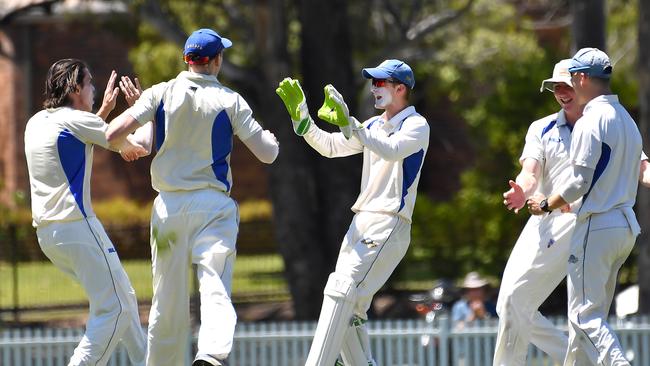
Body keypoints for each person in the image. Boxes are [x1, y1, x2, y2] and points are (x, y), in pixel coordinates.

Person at [105, 28, 280, 366]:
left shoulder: (160, 93)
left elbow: (116, 135)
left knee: (166, 302)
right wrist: (271, 137)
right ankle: (212, 355)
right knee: (214, 280)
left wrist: (126, 145)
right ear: (216, 61)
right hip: (213, 207)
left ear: (186, 60)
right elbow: (268, 154)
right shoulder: (230, 100)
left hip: (168, 208)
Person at [276, 59, 429, 366]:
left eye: (380, 82)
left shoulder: (416, 125)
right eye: (373, 82)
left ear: (401, 88)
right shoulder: (371, 126)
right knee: (350, 305)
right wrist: (302, 120)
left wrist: (352, 124)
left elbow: (392, 149)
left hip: (389, 222)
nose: (374, 88)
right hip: (361, 222)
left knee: (341, 289)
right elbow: (331, 146)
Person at [24, 59, 147, 366]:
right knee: (115, 308)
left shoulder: (37, 121)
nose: (95, 90)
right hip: (77, 227)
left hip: (49, 236)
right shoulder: (78, 122)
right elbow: (136, 148)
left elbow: (80, 140)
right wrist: (144, 110)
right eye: (91, 83)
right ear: (75, 88)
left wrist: (102, 114)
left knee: (125, 300)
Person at [528, 48, 642, 365]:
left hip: (597, 225)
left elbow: (578, 182)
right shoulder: (627, 120)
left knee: (584, 316)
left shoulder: (592, 119)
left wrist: (545, 204)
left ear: (580, 77)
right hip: (624, 227)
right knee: (590, 321)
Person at [493, 59, 584, 365]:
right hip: (538, 219)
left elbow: (637, 164)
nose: (562, 92)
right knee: (507, 304)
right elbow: (530, 172)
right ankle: (577, 359)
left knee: (516, 301)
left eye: (567, 85)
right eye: (556, 86)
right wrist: (523, 190)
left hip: (574, 222)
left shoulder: (603, 125)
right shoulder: (541, 127)